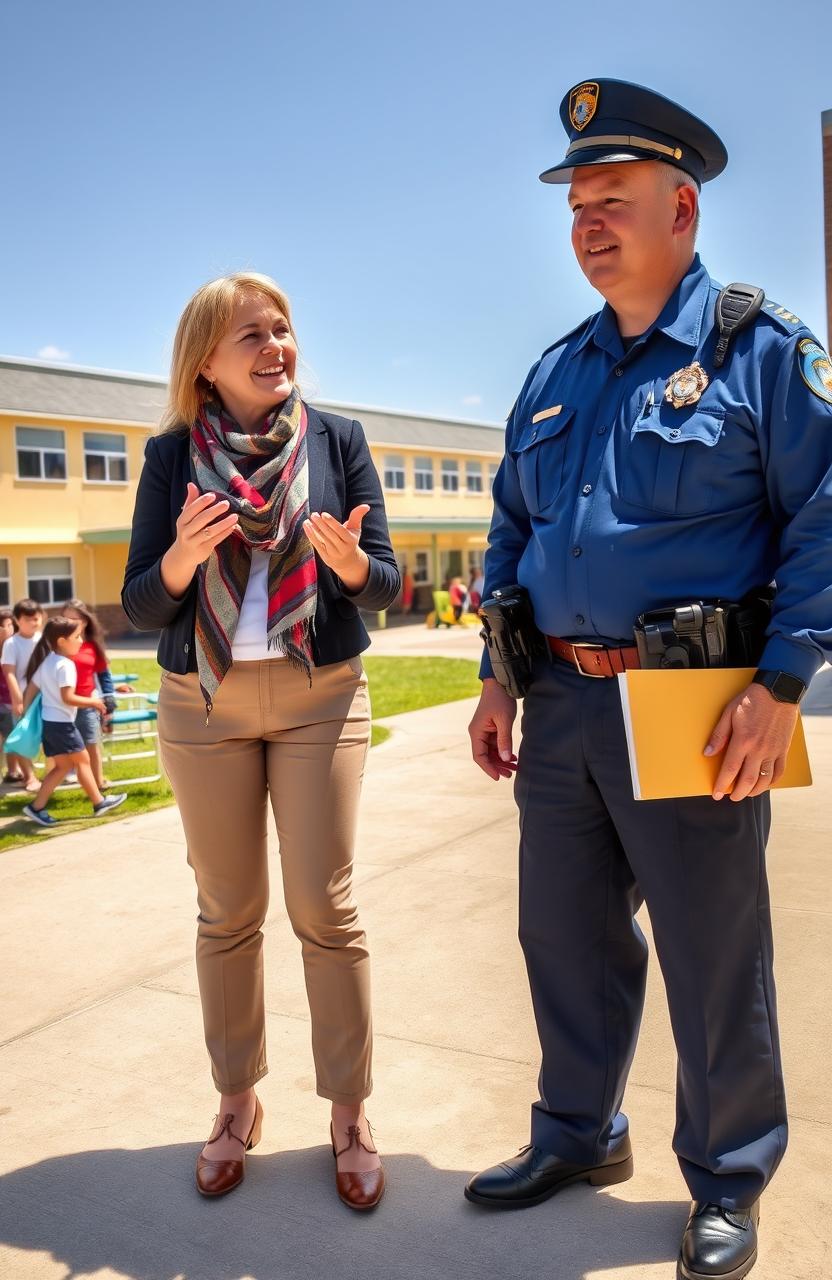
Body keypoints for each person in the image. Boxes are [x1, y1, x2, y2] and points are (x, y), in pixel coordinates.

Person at [465, 78, 832, 1280]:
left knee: (710, 950)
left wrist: (780, 681)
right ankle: (578, 1132)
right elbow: (511, 529)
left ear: (682, 206)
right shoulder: (555, 370)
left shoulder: (756, 350)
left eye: (612, 199)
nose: (588, 222)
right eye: (576, 203)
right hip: (561, 700)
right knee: (560, 935)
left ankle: (728, 1177)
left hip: (695, 700)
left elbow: (824, 514)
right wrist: (495, 676)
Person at [122, 271, 399, 1207]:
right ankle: (237, 1101)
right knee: (227, 910)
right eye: (253, 334)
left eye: (282, 329)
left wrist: (357, 565)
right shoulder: (169, 457)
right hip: (203, 701)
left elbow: (386, 581)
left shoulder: (338, 440)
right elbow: (138, 599)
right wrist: (182, 557)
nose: (277, 345)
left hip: (321, 694)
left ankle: (350, 1110)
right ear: (206, 361)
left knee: (326, 906)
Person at [20, 617, 128, 827]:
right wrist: (95, 702)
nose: (80, 641)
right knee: (82, 760)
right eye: (76, 636)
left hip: (51, 723)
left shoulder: (48, 661)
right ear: (61, 641)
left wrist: (25, 711)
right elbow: (67, 697)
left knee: (62, 767)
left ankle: (36, 807)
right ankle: (99, 802)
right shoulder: (66, 665)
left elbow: (32, 687)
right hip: (62, 725)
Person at [60, 599, 133, 791]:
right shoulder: (57, 645)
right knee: (65, 747)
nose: (69, 624)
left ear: (85, 621)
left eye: (74, 619)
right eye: (65, 619)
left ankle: (98, 783)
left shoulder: (93, 646)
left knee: (91, 744)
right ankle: (64, 777)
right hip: (61, 704)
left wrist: (109, 699)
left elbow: (103, 676)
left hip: (88, 703)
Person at [1, 599, 43, 793]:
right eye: (29, 619)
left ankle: (54, 771)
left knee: (47, 734)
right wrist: (18, 699)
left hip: (44, 697)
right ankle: (29, 776)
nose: (34, 622)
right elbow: (9, 672)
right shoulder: (12, 643)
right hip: (23, 699)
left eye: (37, 618)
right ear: (17, 620)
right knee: (23, 737)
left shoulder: (43, 639)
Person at [0, 609, 16, 783]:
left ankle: (13, 771)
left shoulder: (15, 644)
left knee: (11, 737)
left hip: (11, 700)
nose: (7, 629)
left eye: (11, 624)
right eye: (4, 625)